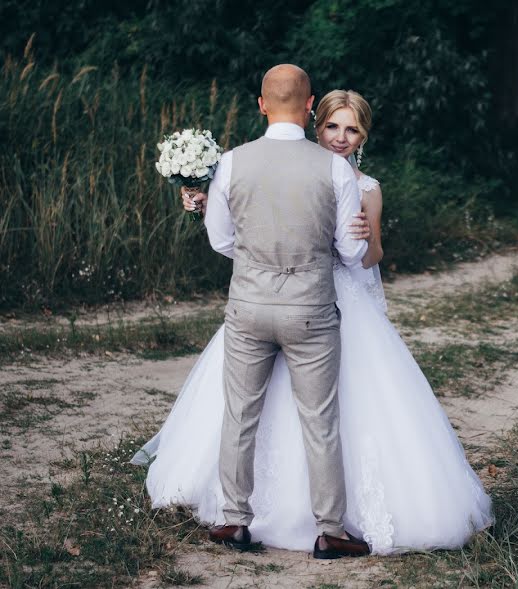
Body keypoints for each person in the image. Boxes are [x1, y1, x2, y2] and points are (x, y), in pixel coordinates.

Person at [132, 84, 494, 557]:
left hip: (320, 301)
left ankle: (247, 519)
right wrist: (209, 203)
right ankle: (320, 525)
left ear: (363, 137)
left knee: (292, 410)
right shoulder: (306, 167)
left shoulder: (364, 188)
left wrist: (365, 237)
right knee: (302, 415)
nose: (341, 137)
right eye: (333, 126)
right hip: (308, 303)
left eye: (352, 130)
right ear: (313, 119)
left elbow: (368, 256)